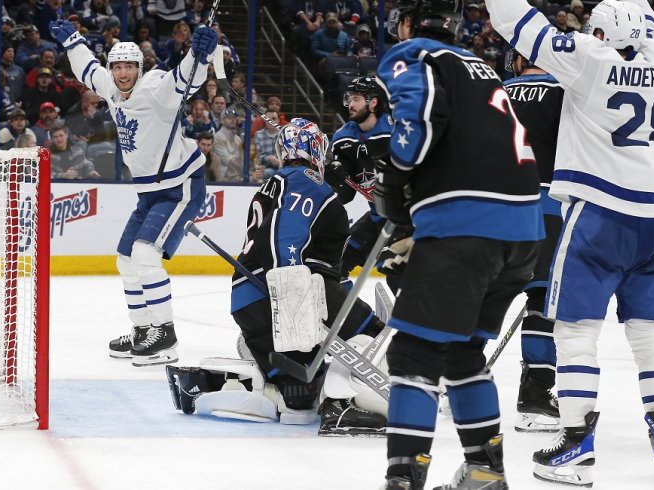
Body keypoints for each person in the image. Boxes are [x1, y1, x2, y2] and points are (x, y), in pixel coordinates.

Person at [486, 0, 654, 486]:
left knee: (575, 331)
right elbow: (644, 20)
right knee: (652, 334)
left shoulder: (587, 56)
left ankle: (577, 443)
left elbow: (513, 20)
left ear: (599, 32)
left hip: (600, 214)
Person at [375, 1, 543, 488]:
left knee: (414, 355)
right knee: (463, 353)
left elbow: (420, 120)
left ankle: (403, 479)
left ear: (409, 23)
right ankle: (486, 475)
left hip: (468, 225)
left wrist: (396, 174)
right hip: (524, 228)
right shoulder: (483, 68)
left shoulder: (416, 54)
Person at [166, 117, 388, 430]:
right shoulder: (304, 181)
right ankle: (340, 404)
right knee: (370, 331)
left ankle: (217, 390)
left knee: (299, 402)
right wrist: (288, 292)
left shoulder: (280, 184)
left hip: (247, 302)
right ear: (315, 148)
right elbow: (286, 239)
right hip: (284, 290)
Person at [49, 18, 217, 366]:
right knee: (125, 259)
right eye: (118, 66)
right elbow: (88, 69)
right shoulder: (110, 86)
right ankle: (143, 329)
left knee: (145, 255)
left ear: (140, 69)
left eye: (129, 66)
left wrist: (201, 54)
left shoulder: (155, 89)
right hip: (150, 192)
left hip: (180, 187)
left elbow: (185, 78)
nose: (122, 73)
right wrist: (73, 42)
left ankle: (165, 335)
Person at [504, 47, 566, 433]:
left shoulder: (493, 90)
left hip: (492, 211)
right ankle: (536, 397)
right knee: (542, 302)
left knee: (481, 296)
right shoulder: (564, 90)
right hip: (544, 209)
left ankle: (456, 380)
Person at [327, 76, 396, 286]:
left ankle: (413, 319)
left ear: (373, 102)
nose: (350, 104)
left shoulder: (396, 132)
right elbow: (346, 196)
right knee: (333, 266)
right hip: (377, 221)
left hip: (407, 223)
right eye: (349, 98)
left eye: (356, 98)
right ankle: (354, 318)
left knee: (397, 273)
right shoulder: (344, 137)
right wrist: (336, 178)